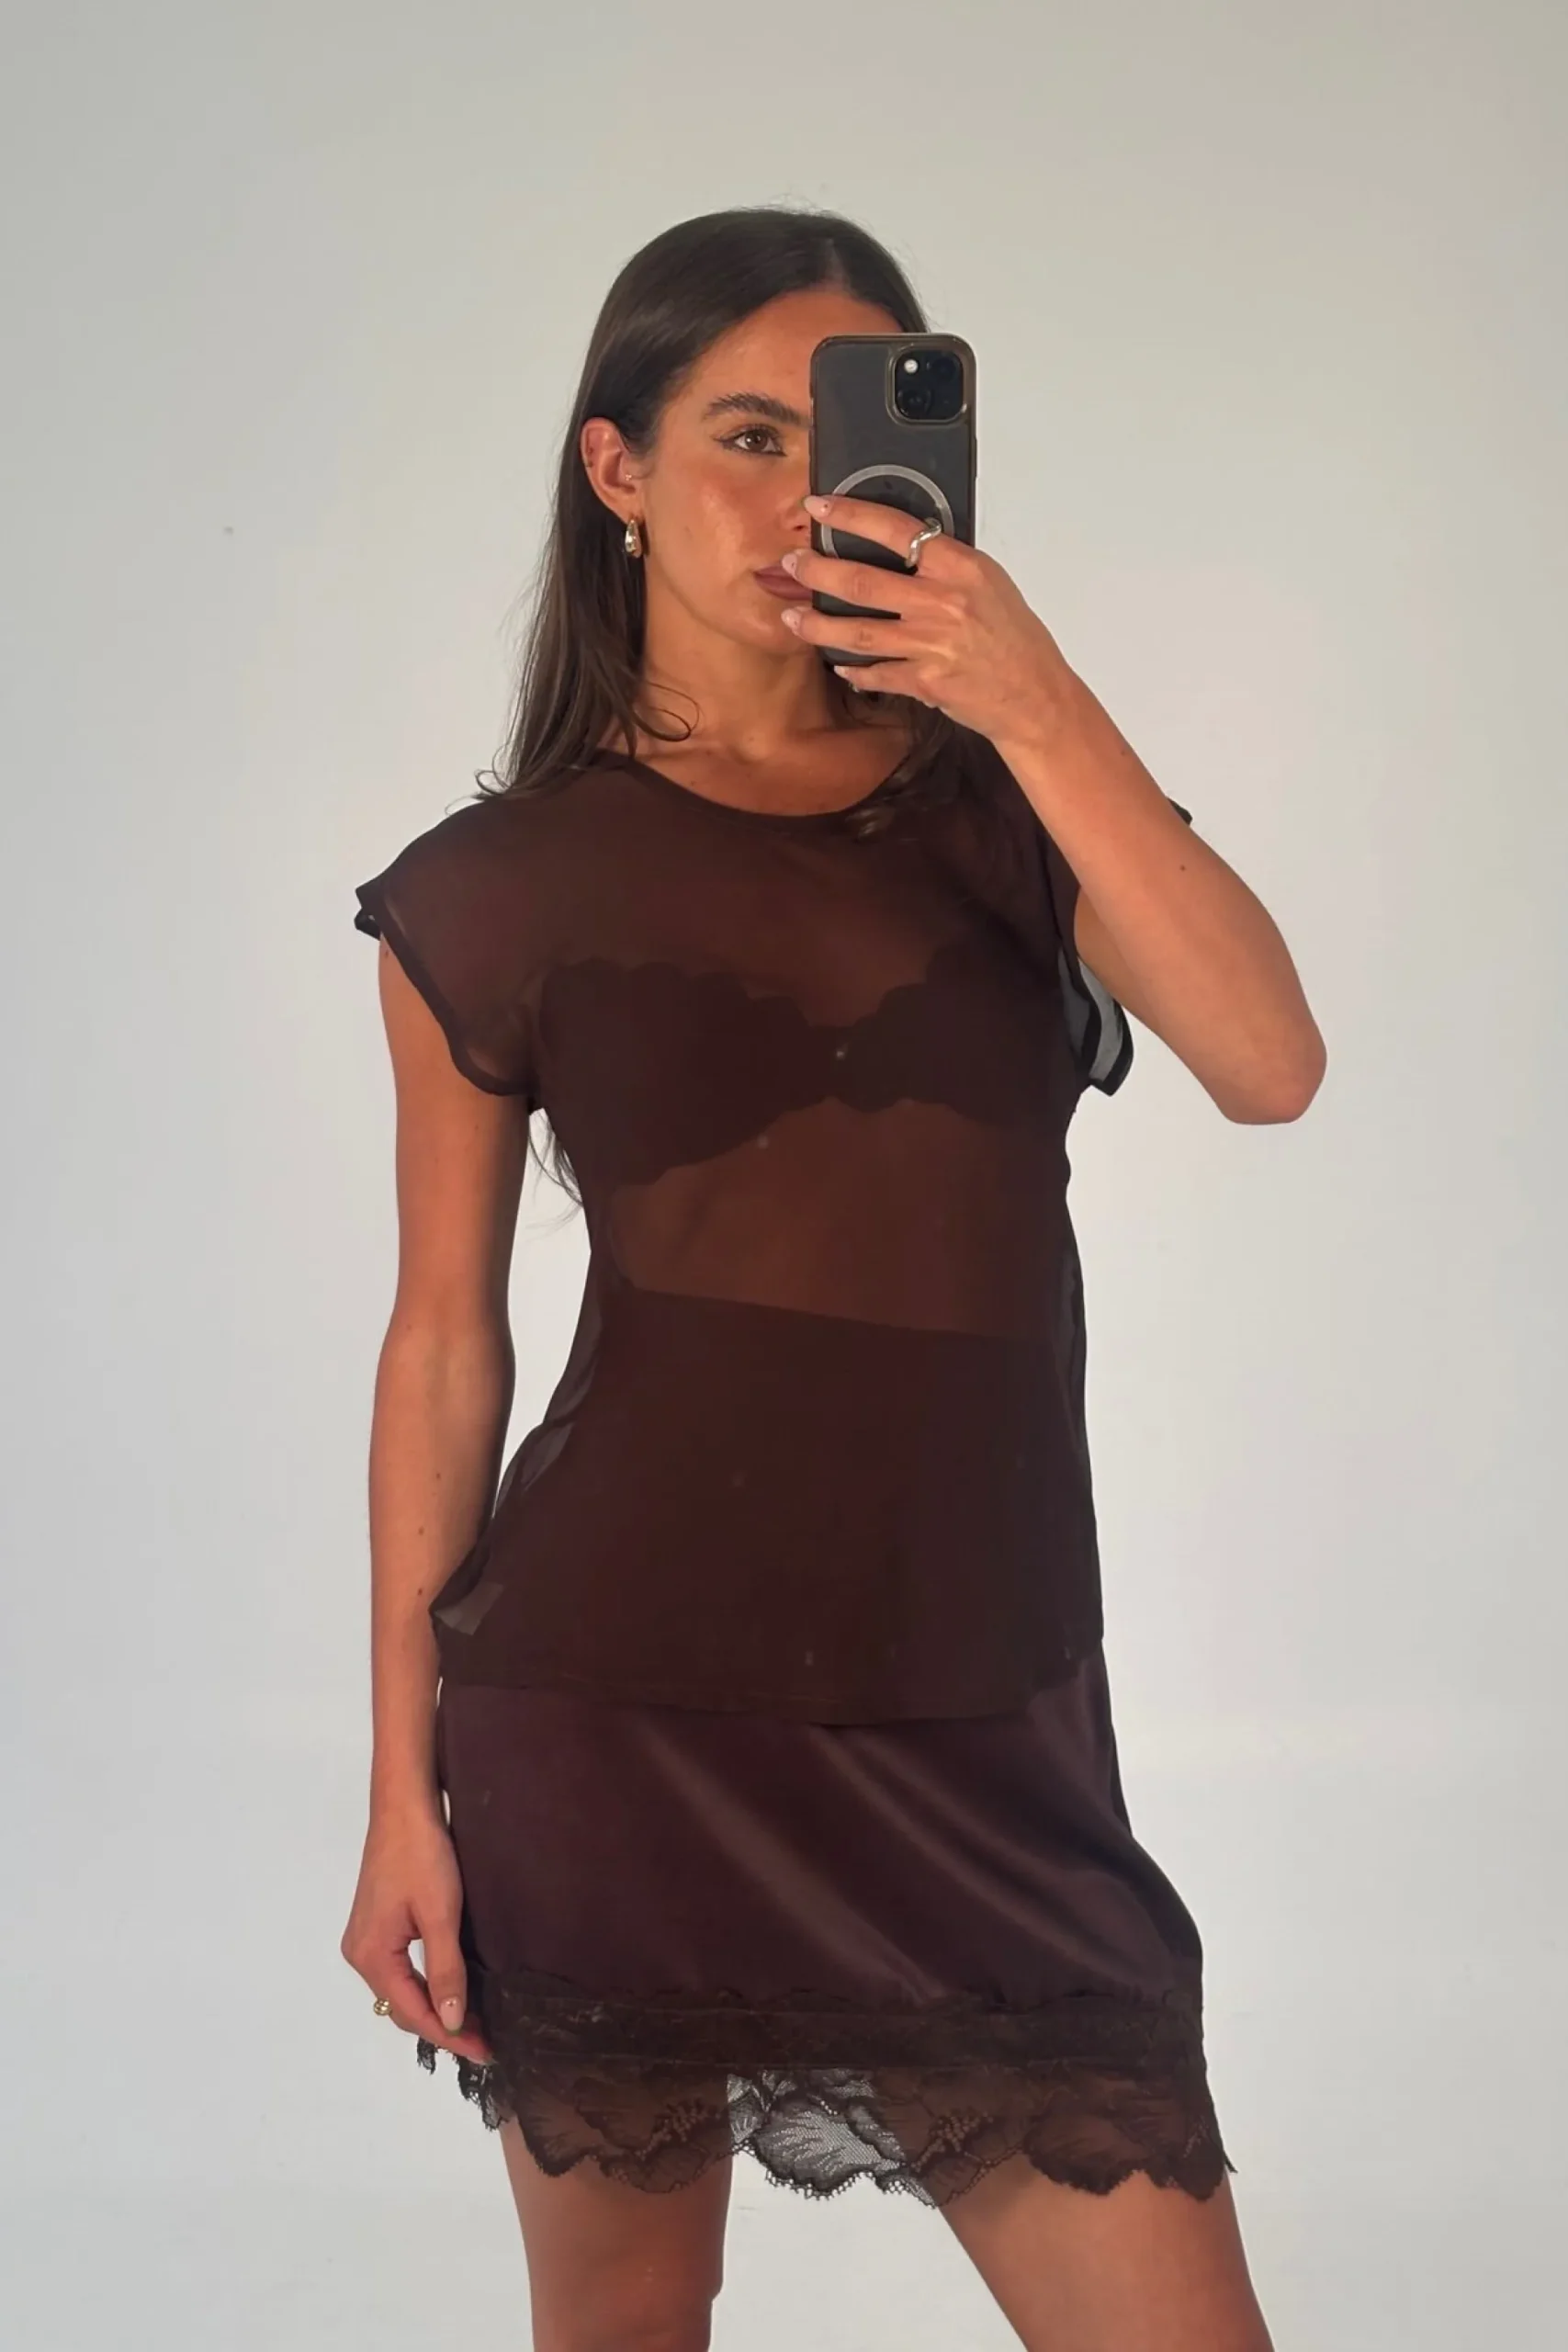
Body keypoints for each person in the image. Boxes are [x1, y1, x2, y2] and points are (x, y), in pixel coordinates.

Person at [341, 205, 1322, 2352]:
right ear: (616, 468)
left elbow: (1269, 1060)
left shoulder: (1012, 808)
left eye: (846, 433)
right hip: (612, 1709)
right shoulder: (489, 889)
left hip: (978, 1712)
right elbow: (445, 1344)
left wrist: (1028, 692)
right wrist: (402, 1789)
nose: (800, 495)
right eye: (745, 436)